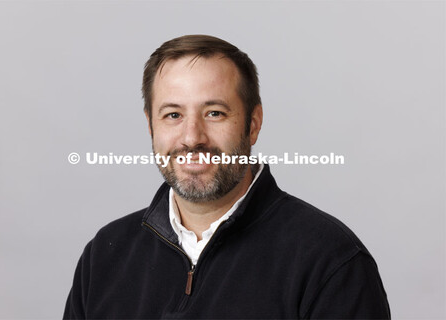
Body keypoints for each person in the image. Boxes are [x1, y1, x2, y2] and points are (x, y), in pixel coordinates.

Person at [63, 35, 390, 319]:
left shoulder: (330, 261)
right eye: (173, 114)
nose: (192, 137)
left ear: (253, 123)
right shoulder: (106, 254)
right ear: (151, 125)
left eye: (214, 113)